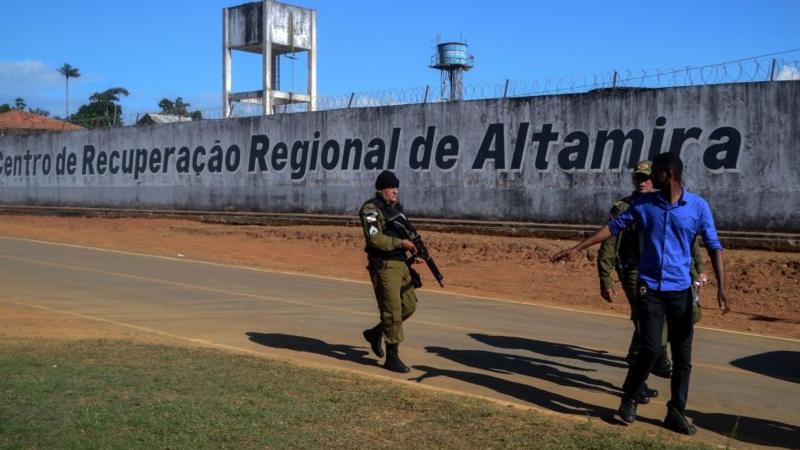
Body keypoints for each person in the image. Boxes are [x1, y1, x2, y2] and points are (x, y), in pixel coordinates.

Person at [553, 152, 729, 435]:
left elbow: (713, 245)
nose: (649, 179)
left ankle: (676, 411)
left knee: (683, 359)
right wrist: (578, 247)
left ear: (667, 174)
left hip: (681, 293)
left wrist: (722, 286)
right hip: (650, 291)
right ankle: (629, 396)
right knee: (649, 349)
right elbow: (612, 228)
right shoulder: (644, 205)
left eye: (655, 172)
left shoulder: (697, 207)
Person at [597, 161, 707, 387]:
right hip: (635, 272)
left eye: (647, 178)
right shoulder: (625, 207)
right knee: (645, 323)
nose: (643, 182)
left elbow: (688, 241)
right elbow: (609, 243)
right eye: (638, 178)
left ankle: (651, 359)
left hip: (666, 273)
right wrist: (605, 277)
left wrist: (698, 270)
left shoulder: (667, 206)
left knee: (670, 320)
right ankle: (639, 383)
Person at [359, 170, 420, 373]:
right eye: (390, 187)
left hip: (402, 264)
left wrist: (413, 249)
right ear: (380, 189)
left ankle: (376, 333)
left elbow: (406, 232)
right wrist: (401, 243)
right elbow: (375, 239)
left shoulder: (397, 209)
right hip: (385, 265)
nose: (395, 191)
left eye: (396, 187)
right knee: (392, 311)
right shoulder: (371, 210)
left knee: (409, 305)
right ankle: (392, 357)